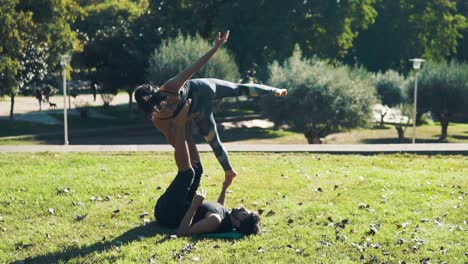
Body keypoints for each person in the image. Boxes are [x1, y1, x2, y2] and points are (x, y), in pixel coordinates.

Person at [135, 30, 287, 185]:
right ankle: (229, 171)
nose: (167, 108)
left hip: (203, 88)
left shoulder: (171, 86)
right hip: (197, 110)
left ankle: (274, 90)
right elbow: (173, 138)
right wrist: (187, 157)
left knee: (238, 88)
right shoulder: (158, 120)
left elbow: (194, 67)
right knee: (212, 139)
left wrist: (216, 47)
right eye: (160, 109)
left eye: (166, 102)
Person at [154, 99, 260, 236]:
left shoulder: (215, 221)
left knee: (188, 174)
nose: (243, 208)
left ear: (238, 224)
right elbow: (219, 207)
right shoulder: (225, 216)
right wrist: (224, 188)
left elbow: (183, 232)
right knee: (197, 169)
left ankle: (178, 126)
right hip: (179, 205)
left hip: (167, 213)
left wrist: (195, 205)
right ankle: (185, 126)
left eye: (245, 213)